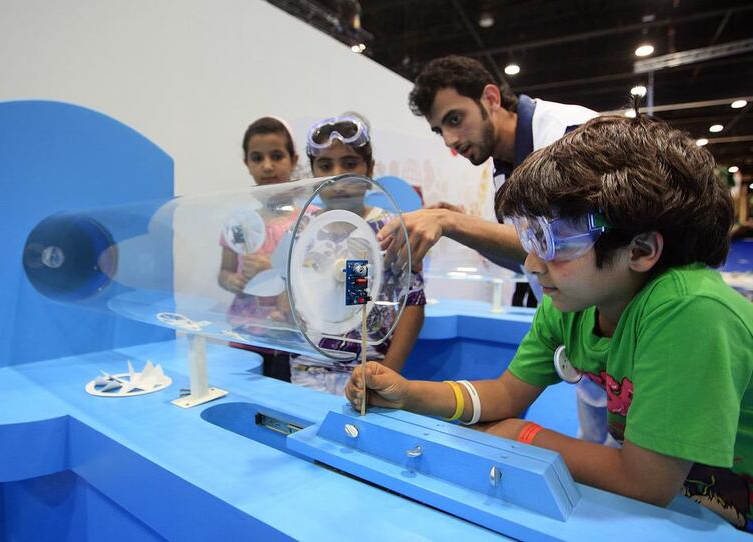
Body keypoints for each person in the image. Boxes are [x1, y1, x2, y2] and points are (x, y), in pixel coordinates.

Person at [347, 114, 753, 530]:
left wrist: (524, 437)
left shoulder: (690, 310)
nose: (532, 263)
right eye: (530, 237)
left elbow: (645, 482)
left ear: (641, 248)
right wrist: (408, 394)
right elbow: (505, 394)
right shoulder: (572, 304)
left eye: (554, 241)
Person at [379, 54, 608, 443]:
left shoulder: (568, 135)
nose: (450, 140)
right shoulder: (503, 170)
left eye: (454, 119)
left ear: (489, 98)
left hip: (625, 332)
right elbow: (529, 256)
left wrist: (453, 223)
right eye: (440, 131)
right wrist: (462, 227)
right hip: (582, 333)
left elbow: (581, 244)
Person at [289, 113, 426, 395]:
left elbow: (413, 303)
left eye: (349, 163)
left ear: (370, 168)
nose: (337, 176)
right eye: (325, 165)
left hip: (368, 371)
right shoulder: (302, 229)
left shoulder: (389, 228)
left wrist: (387, 371)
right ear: (312, 172)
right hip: (306, 368)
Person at [219, 116, 299, 382]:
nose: (267, 166)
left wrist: (273, 273)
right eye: (257, 158)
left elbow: (314, 280)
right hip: (246, 334)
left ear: (294, 159)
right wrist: (235, 280)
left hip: (290, 338)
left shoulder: (307, 219)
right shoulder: (239, 222)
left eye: (277, 156)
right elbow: (224, 273)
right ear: (247, 163)